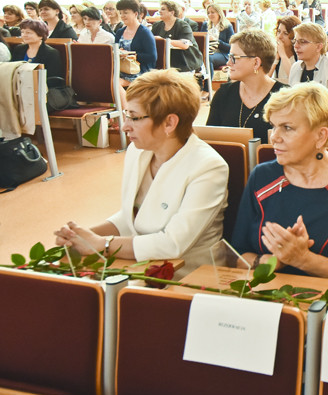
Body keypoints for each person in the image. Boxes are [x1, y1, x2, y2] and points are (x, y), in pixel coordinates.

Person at [54, 70, 228, 279]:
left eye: (134, 118)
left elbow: (172, 244)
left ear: (169, 123)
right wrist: (82, 236)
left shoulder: (209, 167)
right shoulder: (138, 151)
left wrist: (102, 244)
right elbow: (132, 217)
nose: (125, 126)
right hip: (140, 266)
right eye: (127, 115)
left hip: (187, 276)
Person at [232, 83, 328, 281]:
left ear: (321, 136)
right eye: (273, 126)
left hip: (327, 305)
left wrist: (302, 259)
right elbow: (236, 255)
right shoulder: (261, 177)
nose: (274, 137)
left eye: (287, 128)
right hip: (263, 298)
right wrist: (276, 261)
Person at [207, 29, 287, 142]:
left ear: (256, 63)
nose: (228, 63)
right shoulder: (224, 94)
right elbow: (210, 139)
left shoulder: (286, 98)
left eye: (234, 57)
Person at [288, 23, 328, 95]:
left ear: (318, 47)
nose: (296, 46)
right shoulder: (295, 67)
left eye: (302, 42)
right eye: (295, 41)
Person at [150, 0, 203, 74]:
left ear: (172, 12)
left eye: (163, 9)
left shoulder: (183, 25)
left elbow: (185, 44)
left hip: (184, 63)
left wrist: (164, 41)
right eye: (160, 9)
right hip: (163, 63)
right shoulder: (157, 25)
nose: (159, 11)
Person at [115, 0, 157, 84]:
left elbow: (152, 57)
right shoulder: (119, 32)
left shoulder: (144, 32)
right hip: (122, 69)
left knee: (115, 83)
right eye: (121, 13)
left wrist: (131, 55)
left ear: (135, 14)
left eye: (126, 13)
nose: (122, 16)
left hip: (140, 71)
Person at [200, 3, 234, 69]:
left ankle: (209, 79)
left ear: (219, 13)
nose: (210, 15)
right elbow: (201, 42)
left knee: (208, 58)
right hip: (208, 51)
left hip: (223, 54)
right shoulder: (205, 25)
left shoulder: (227, 26)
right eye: (208, 13)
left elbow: (231, 47)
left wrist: (216, 41)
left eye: (212, 12)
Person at [269, 15, 301, 84]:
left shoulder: (299, 53)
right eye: (279, 31)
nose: (280, 36)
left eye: (285, 33)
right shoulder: (273, 52)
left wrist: (283, 55)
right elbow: (266, 79)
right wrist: (276, 59)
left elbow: (293, 78)